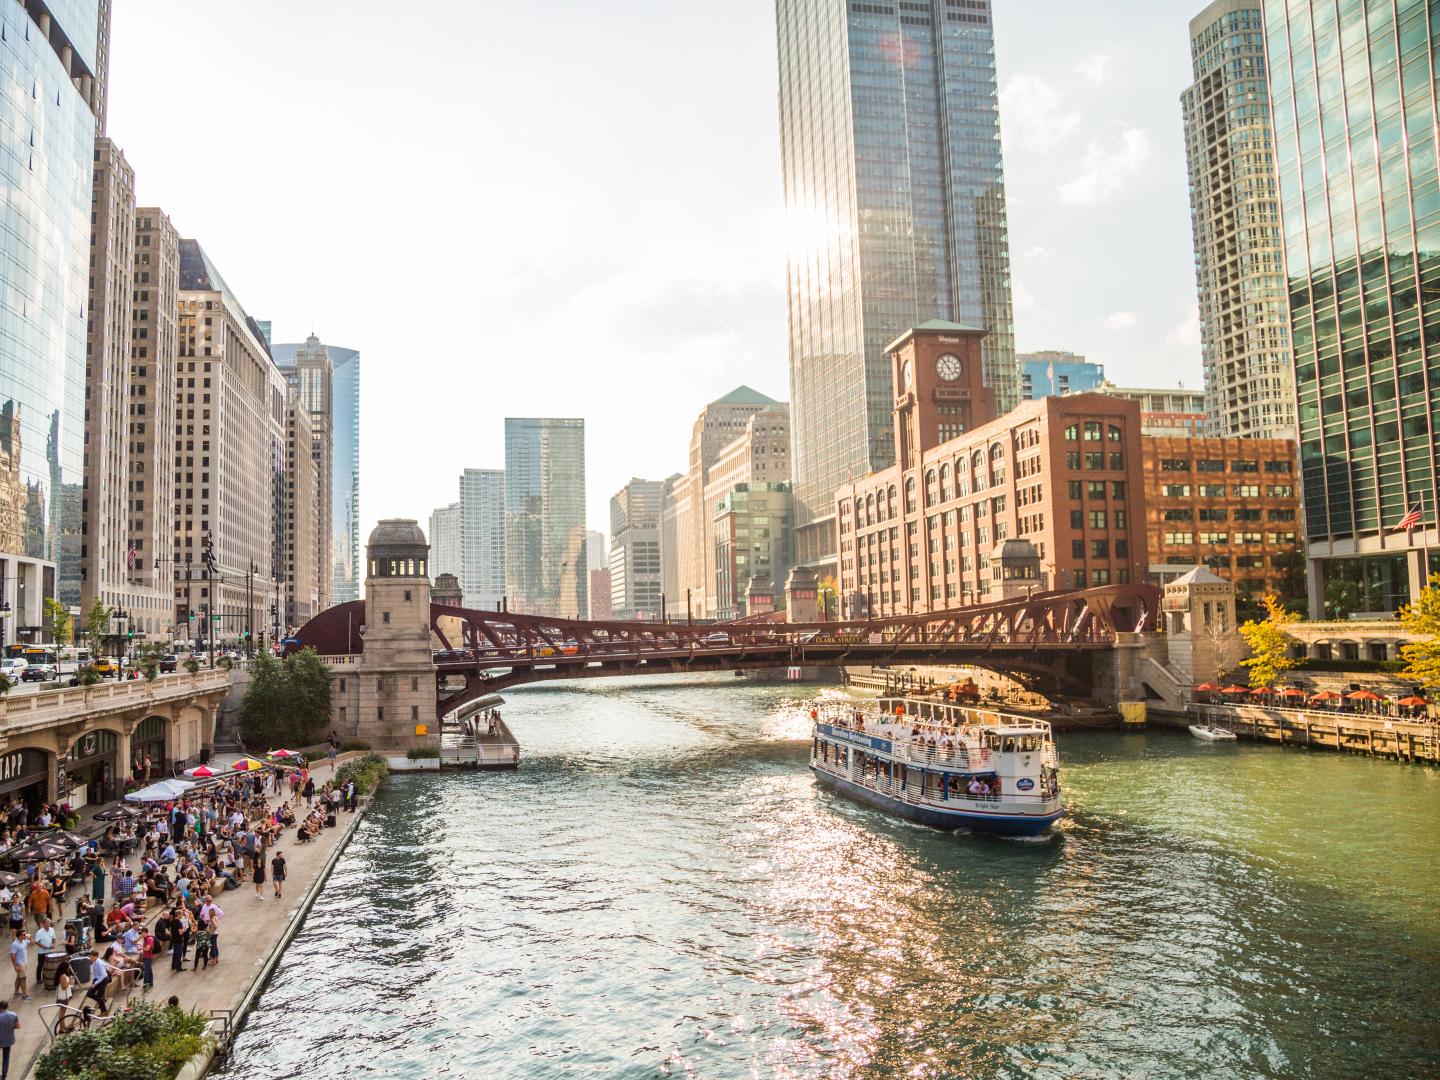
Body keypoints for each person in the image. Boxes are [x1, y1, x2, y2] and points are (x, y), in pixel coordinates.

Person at [0, 999, 17, 1080]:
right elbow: (18, 1026)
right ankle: (4, 1076)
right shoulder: (13, 1015)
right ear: (7, 1006)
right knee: (6, 1057)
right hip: (8, 1039)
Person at [6, 934, 25, 1002]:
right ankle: (24, 994)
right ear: (20, 936)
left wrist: (30, 938)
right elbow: (12, 955)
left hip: (24, 962)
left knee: (19, 977)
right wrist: (15, 966)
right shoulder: (14, 944)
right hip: (19, 963)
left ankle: (16, 991)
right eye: (24, 935)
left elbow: (32, 944)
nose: (25, 935)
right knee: (23, 978)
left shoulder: (24, 941)